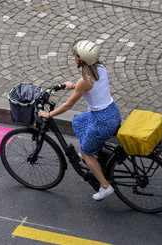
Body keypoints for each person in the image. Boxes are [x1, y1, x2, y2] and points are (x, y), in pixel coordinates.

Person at [38, 40, 121, 201]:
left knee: (85, 152)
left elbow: (68, 105)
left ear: (80, 60)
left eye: (75, 55)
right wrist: (74, 86)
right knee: (78, 121)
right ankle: (93, 151)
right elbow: (91, 86)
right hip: (112, 113)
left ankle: (105, 186)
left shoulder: (85, 81)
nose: (73, 57)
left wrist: (49, 115)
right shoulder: (100, 68)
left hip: (101, 121)